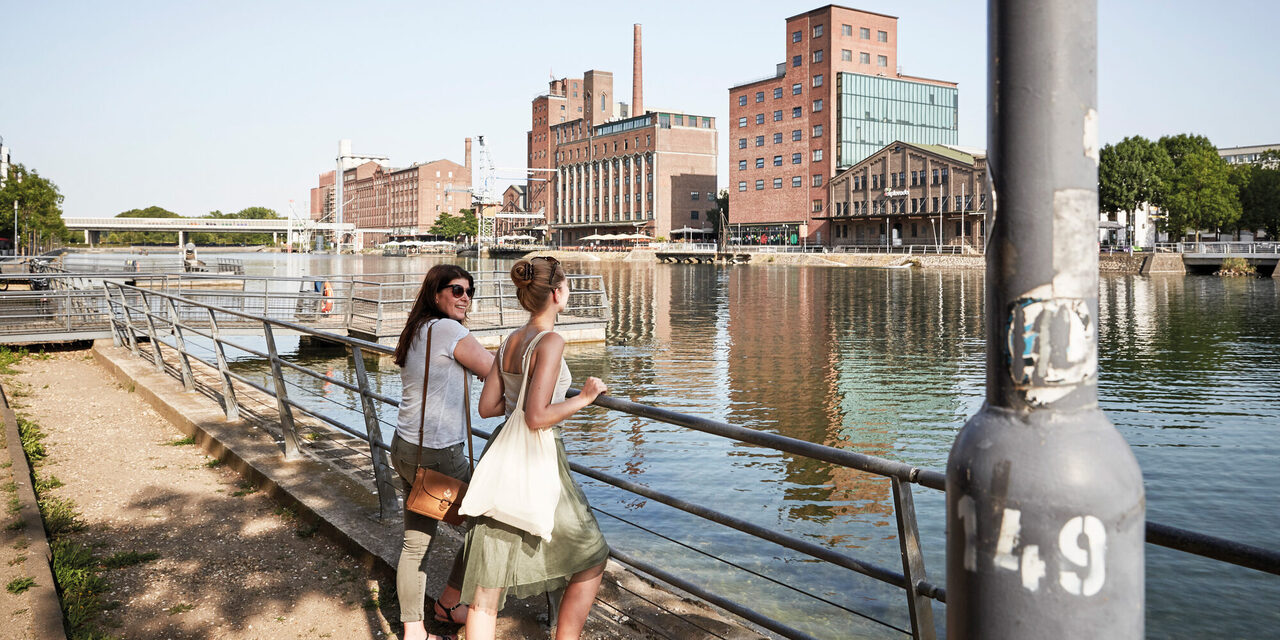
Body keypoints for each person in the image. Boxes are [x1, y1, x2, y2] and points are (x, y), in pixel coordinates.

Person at [463, 256, 610, 640]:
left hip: (501, 457)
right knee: (591, 553)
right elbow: (536, 417)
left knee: (487, 584)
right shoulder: (552, 340)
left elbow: (488, 407)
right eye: (567, 286)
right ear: (557, 293)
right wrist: (585, 397)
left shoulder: (511, 339)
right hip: (538, 457)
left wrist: (522, 400)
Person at [391, 264, 494, 640]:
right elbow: (492, 368)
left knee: (415, 543)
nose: (465, 297)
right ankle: (451, 602)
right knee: (489, 523)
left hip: (405, 448)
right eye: (456, 290)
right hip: (438, 454)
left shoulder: (418, 329)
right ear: (436, 294)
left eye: (469, 290)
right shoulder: (450, 330)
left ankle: (415, 630)